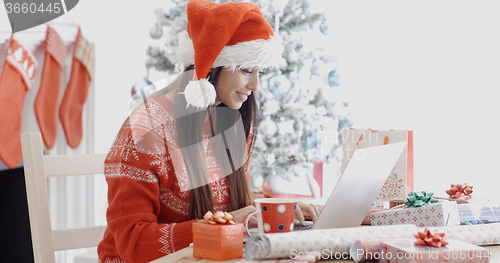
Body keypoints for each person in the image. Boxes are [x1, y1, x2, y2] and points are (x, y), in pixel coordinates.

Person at [98, 0, 321, 262]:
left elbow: (230, 206)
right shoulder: (147, 131)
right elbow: (134, 244)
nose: (256, 85)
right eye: (247, 70)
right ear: (211, 64)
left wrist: (280, 211)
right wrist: (221, 227)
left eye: (259, 72)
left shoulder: (229, 119)